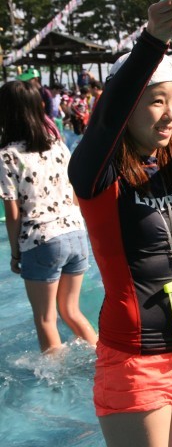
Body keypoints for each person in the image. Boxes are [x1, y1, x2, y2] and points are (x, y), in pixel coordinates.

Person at [68, 0, 172, 446]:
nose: (170, 113)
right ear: (129, 107)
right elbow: (105, 122)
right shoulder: (96, 174)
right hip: (136, 360)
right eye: (156, 101)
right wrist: (152, 41)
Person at [0, 81, 98, 354]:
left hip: (41, 239)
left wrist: (15, 254)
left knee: (46, 319)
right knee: (71, 310)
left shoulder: (7, 156)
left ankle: (55, 379)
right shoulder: (58, 146)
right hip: (75, 234)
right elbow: (75, 192)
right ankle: (103, 360)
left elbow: (12, 212)